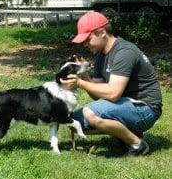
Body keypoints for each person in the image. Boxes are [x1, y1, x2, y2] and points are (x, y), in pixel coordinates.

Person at [61, 11, 162, 156]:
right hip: (126, 104)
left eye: (87, 39)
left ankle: (137, 144)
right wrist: (84, 77)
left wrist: (80, 84)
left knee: (90, 113)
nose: (84, 45)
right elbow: (100, 94)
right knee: (74, 122)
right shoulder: (101, 55)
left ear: (102, 32)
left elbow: (113, 94)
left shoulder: (124, 52)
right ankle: (128, 132)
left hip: (146, 108)